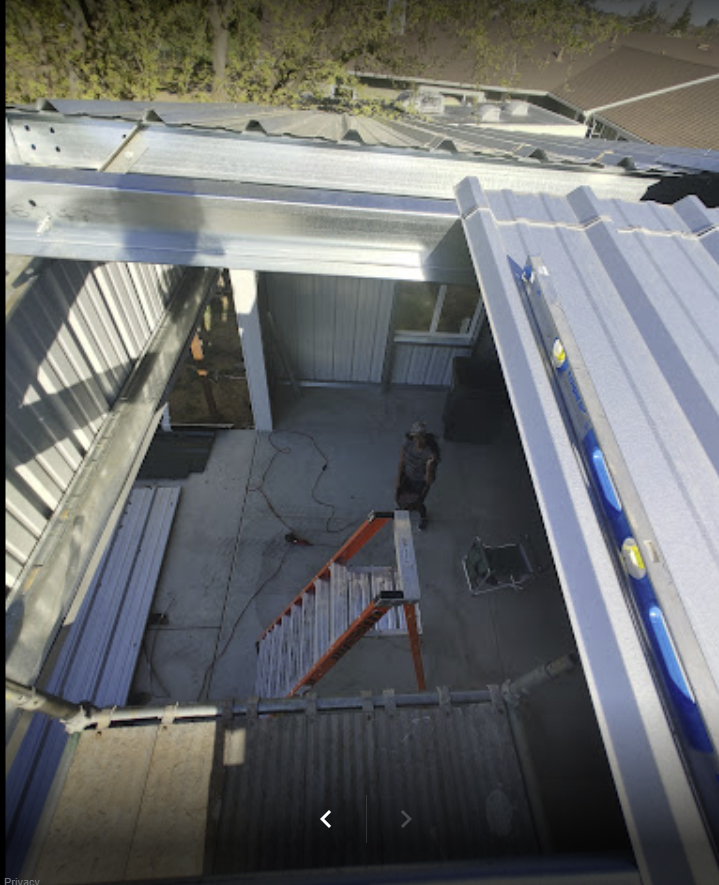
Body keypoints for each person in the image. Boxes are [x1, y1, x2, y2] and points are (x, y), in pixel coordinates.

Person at [395, 421, 441, 530]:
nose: (417, 441)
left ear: (425, 438)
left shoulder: (430, 453)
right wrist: (398, 478)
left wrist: (429, 466)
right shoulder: (407, 445)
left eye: (420, 438)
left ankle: (423, 517)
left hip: (420, 482)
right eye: (415, 438)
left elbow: (429, 480)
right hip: (406, 477)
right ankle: (404, 509)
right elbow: (402, 462)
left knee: (418, 503)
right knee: (401, 498)